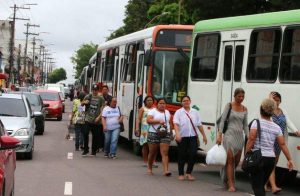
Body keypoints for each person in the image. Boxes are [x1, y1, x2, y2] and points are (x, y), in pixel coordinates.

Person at [245, 98, 294, 196]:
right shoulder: (276, 127)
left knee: (257, 186)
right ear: (272, 112)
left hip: (258, 158)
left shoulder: (256, 123)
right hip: (270, 159)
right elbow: (282, 144)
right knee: (261, 184)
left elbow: (251, 139)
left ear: (261, 109)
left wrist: (247, 154)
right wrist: (290, 159)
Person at [265, 92, 300, 193]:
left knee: (273, 164)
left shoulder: (283, 111)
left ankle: (264, 184)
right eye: (274, 99)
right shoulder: (269, 110)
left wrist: (296, 131)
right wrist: (269, 99)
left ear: (280, 101)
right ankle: (273, 186)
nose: (276, 101)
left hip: (279, 141)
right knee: (270, 164)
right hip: (270, 141)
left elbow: (288, 121)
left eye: (278, 99)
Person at [216, 88, 248, 192]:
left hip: (239, 137)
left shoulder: (244, 109)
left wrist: (249, 137)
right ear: (234, 96)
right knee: (230, 160)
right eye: (239, 96)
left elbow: (245, 126)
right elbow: (222, 121)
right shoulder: (229, 105)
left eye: (243, 96)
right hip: (229, 135)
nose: (241, 98)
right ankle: (231, 184)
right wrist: (219, 135)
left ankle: (226, 177)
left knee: (236, 161)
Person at [173, 95, 207, 181]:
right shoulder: (178, 112)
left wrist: (204, 136)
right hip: (182, 137)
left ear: (190, 101)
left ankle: (188, 173)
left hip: (193, 137)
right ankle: (181, 173)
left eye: (187, 100)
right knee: (182, 155)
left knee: (193, 154)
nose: (186, 102)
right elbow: (176, 124)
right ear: (181, 103)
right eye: (184, 101)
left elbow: (199, 125)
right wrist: (177, 134)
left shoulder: (195, 112)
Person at [146, 98, 173, 176]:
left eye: (164, 103)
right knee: (152, 152)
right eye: (160, 103)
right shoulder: (152, 111)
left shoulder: (167, 112)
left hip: (165, 134)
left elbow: (170, 123)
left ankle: (166, 170)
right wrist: (158, 121)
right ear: (157, 104)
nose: (162, 105)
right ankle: (150, 168)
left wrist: (171, 132)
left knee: (165, 153)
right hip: (153, 133)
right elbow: (148, 120)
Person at [81, 83, 105, 156]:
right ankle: (86, 149)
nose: (95, 91)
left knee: (95, 136)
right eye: (94, 90)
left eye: (96, 90)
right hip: (88, 118)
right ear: (92, 90)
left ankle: (93, 151)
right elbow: (81, 104)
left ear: (98, 90)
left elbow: (103, 109)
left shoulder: (101, 98)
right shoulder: (88, 96)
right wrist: (85, 102)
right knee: (85, 133)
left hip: (96, 120)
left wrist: (99, 117)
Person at [135, 96, 158, 167]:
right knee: (145, 145)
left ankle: (153, 161)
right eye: (148, 100)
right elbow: (138, 119)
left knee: (154, 146)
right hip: (144, 129)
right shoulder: (142, 109)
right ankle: (145, 162)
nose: (149, 101)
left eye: (151, 100)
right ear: (145, 101)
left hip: (153, 129)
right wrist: (137, 128)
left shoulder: (155, 109)